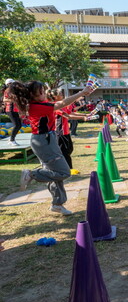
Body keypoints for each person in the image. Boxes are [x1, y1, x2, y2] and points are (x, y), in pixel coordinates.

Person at [11, 80, 92, 215]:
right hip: (44, 141)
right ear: (32, 94)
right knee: (64, 173)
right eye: (41, 91)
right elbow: (62, 104)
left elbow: (63, 108)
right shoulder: (36, 106)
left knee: (54, 174)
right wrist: (82, 93)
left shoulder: (39, 104)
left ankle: (57, 204)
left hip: (46, 140)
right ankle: (31, 174)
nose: (44, 92)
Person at [2, 79, 22, 146]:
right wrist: (13, 99)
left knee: (19, 125)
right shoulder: (7, 91)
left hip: (15, 110)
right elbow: (4, 99)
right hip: (10, 110)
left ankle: (11, 138)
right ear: (8, 84)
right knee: (17, 125)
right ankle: (12, 140)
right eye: (12, 83)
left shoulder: (14, 91)